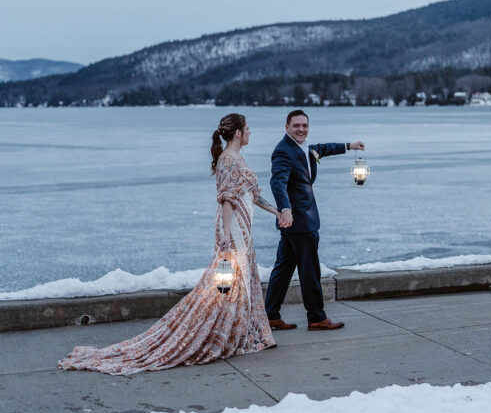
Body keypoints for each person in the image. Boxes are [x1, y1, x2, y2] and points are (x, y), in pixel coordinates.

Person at [58, 114, 278, 375]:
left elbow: (251, 196)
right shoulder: (228, 160)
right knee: (224, 284)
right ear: (239, 133)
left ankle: (231, 330)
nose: (251, 132)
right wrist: (227, 235)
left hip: (243, 229)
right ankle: (213, 331)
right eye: (248, 128)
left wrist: (278, 212)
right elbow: (227, 199)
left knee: (233, 283)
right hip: (233, 231)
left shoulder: (236, 159)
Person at [264, 109, 364, 331]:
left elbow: (323, 149)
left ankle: (270, 315)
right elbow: (277, 183)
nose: (301, 129)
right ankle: (316, 317)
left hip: (295, 222)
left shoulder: (305, 148)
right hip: (299, 221)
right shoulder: (283, 151)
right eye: (296, 125)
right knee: (309, 270)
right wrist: (285, 208)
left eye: (304, 125)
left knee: (283, 268)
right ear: (287, 127)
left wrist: (349, 146)